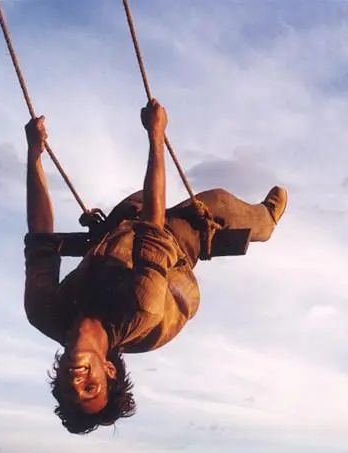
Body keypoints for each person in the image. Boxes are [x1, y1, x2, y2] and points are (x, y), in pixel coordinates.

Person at [23, 99, 287, 434]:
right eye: (91, 387)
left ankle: (120, 233)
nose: (77, 382)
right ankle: (267, 219)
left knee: (133, 204)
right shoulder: (140, 309)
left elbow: (40, 237)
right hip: (172, 269)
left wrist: (34, 154)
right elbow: (153, 226)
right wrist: (156, 134)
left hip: (112, 258)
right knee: (217, 204)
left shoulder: (43, 311)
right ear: (109, 370)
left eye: (69, 391)